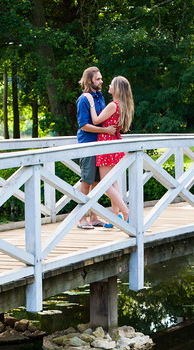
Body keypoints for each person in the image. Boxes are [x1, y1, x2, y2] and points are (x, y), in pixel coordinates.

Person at [88, 75, 134, 222]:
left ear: (117, 89)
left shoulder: (113, 105)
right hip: (114, 143)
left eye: (112, 84)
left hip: (106, 144)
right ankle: (115, 214)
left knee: (105, 183)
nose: (109, 86)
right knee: (113, 182)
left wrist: (91, 103)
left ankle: (125, 211)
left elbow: (95, 120)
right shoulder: (122, 105)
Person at [76, 66, 117, 229]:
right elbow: (84, 125)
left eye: (101, 78)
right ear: (89, 80)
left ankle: (93, 216)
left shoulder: (99, 97)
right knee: (86, 181)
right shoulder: (84, 99)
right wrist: (105, 131)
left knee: (96, 182)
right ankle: (81, 219)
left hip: (100, 144)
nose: (101, 81)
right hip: (88, 144)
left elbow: (101, 119)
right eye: (98, 79)